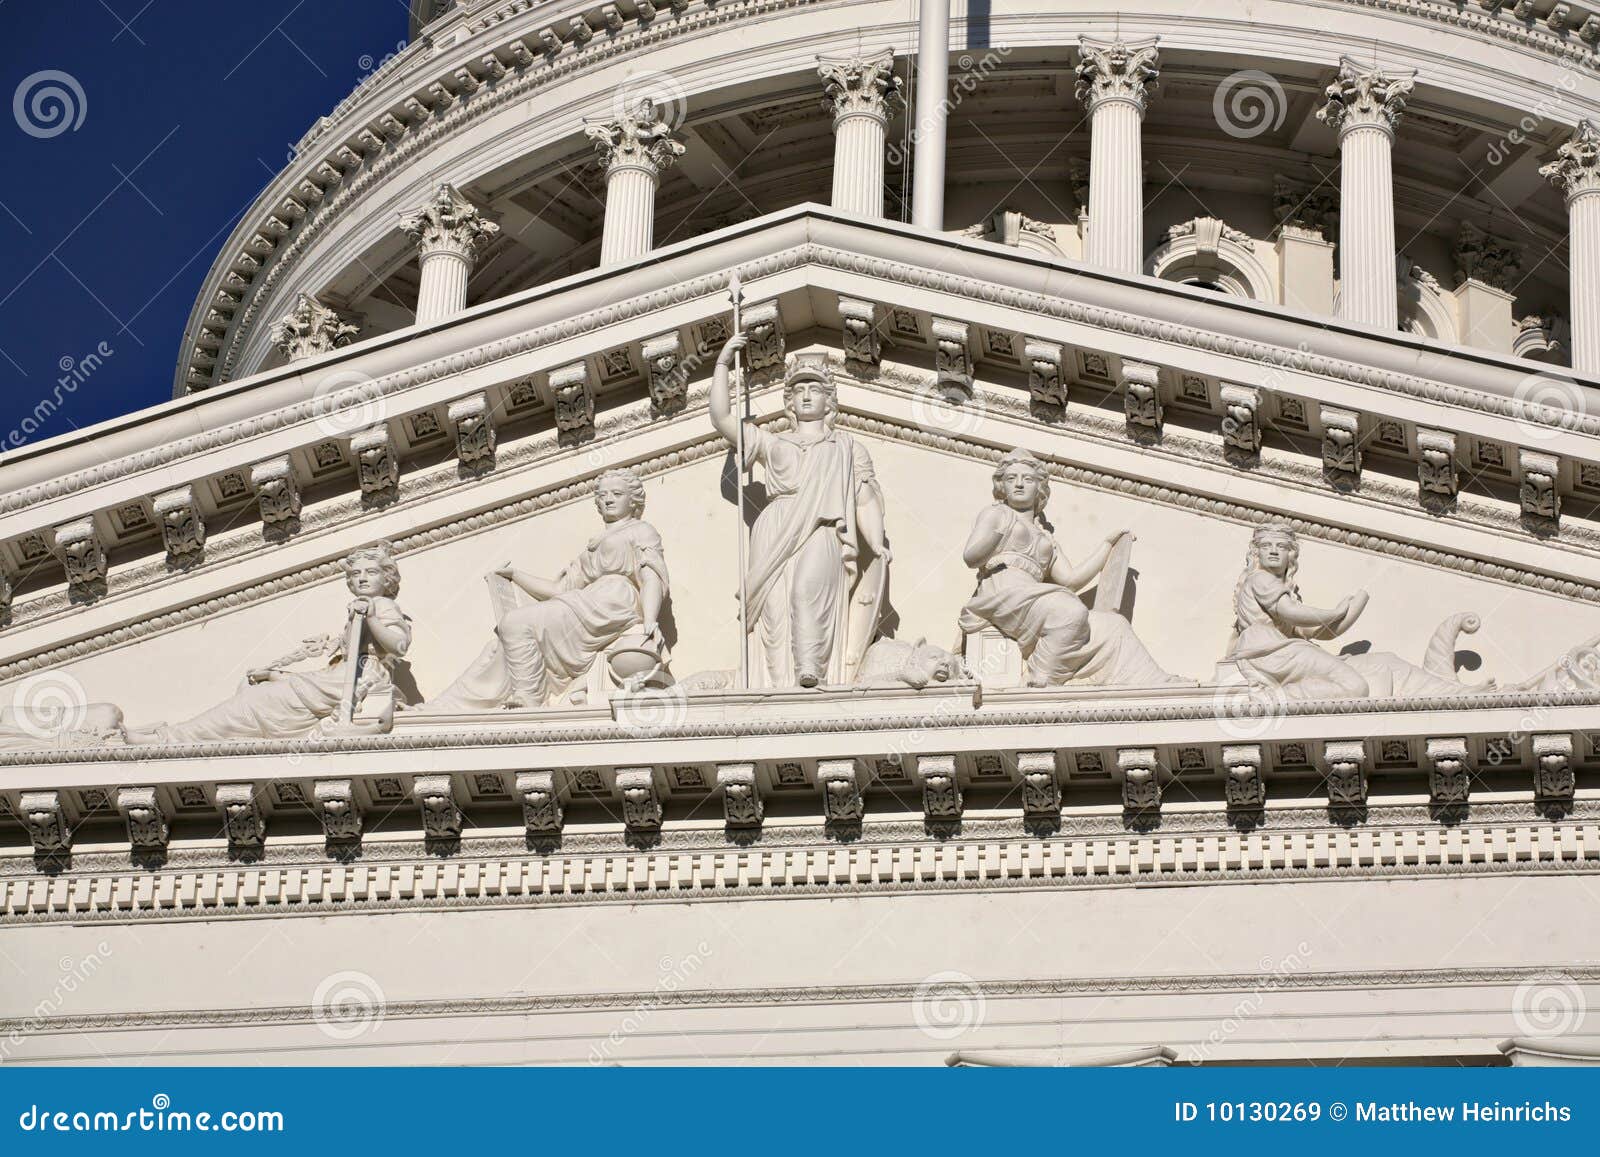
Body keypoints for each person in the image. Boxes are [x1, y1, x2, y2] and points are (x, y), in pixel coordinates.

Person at [711, 338, 890, 688]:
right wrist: (721, 364)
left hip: (822, 527)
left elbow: (865, 498)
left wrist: (876, 542)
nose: (806, 395)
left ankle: (811, 667)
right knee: (775, 612)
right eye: (798, 390)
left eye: (815, 389)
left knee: (807, 590)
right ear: (789, 401)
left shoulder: (847, 447)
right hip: (775, 526)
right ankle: (778, 684)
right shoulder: (772, 442)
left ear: (829, 399)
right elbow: (721, 418)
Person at [427, 468, 668, 709]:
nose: (608, 499)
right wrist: (515, 575)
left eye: (617, 493)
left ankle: (528, 697)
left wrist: (649, 620)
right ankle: (446, 708)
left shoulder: (641, 530)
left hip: (613, 601)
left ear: (633, 500)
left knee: (515, 623)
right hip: (588, 600)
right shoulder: (593, 547)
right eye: (603, 495)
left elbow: (651, 577)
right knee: (502, 642)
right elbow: (558, 588)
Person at [130, 543, 411, 742]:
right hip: (338, 679)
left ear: (386, 579)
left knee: (256, 701)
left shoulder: (382, 605)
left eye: (370, 572)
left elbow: (398, 646)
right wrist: (277, 674)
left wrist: (372, 617)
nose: (361, 578)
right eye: (355, 574)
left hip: (361, 678)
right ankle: (175, 736)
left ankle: (171, 738)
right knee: (255, 692)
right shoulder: (362, 607)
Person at [958, 448, 1182, 687]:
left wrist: (1107, 546)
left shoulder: (1045, 537)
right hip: (1003, 595)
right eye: (1012, 478)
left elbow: (1071, 580)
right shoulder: (997, 515)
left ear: (1040, 488)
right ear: (1002, 486)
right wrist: (998, 532)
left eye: (1028, 479)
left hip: (1036, 599)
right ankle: (1040, 679)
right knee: (1070, 612)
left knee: (1114, 626)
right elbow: (971, 557)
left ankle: (1156, 684)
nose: (1020, 484)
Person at [1227, 523, 1370, 699]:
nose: (1273, 551)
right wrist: (1335, 613)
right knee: (1354, 686)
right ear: (1256, 554)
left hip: (1277, 649)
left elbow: (1320, 632)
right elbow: (1289, 612)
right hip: (1267, 650)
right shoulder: (1260, 578)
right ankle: (1271, 697)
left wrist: (1354, 606)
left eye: (1281, 546)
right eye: (1266, 546)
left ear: (1290, 555)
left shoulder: (1286, 591)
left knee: (1355, 686)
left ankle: (1276, 696)